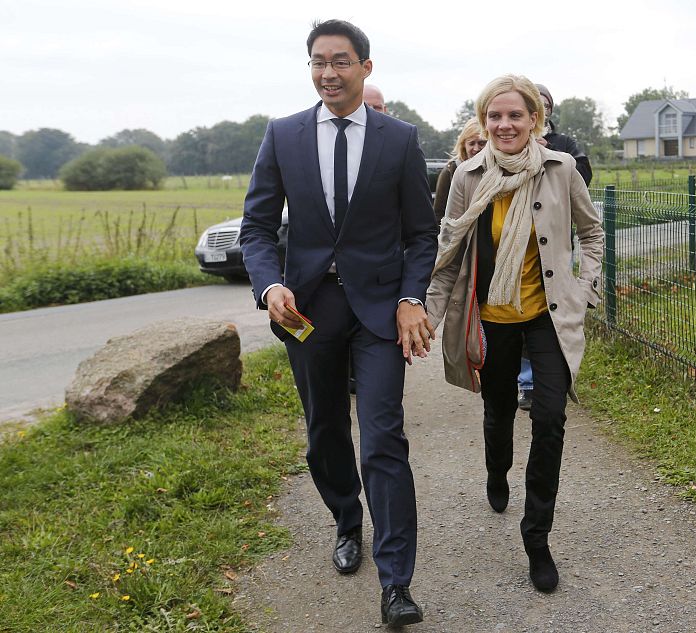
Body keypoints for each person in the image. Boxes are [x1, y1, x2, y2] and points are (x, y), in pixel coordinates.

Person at [240, 19, 437, 626]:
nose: (329, 72)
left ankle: (396, 582)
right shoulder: (283, 136)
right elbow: (256, 227)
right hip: (308, 313)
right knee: (325, 431)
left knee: (383, 438)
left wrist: (411, 298)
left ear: (366, 68)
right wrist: (271, 285)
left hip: (380, 314)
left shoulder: (399, 140)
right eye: (319, 62)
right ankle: (346, 521)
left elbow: (420, 235)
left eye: (342, 61)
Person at [425, 74, 603, 593]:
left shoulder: (560, 168)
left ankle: (537, 538)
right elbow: (449, 252)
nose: (504, 125)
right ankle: (497, 470)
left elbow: (591, 233)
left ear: (534, 121)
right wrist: (428, 317)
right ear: (484, 122)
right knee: (499, 407)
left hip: (547, 314)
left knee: (549, 416)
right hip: (492, 316)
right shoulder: (466, 175)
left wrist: (582, 289)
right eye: (494, 117)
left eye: (515, 116)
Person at [517, 83, 593, 411]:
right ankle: (525, 381)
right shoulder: (507, 141)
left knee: (552, 310)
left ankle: (549, 377)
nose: (541, 107)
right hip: (515, 245)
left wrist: (553, 158)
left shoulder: (564, 145)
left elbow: (583, 176)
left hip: (555, 240)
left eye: (545, 103)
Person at [433, 117, 487, 225]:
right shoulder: (450, 171)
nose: (476, 149)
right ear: (463, 145)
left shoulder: (498, 169)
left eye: (482, 143)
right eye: (471, 143)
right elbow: (439, 213)